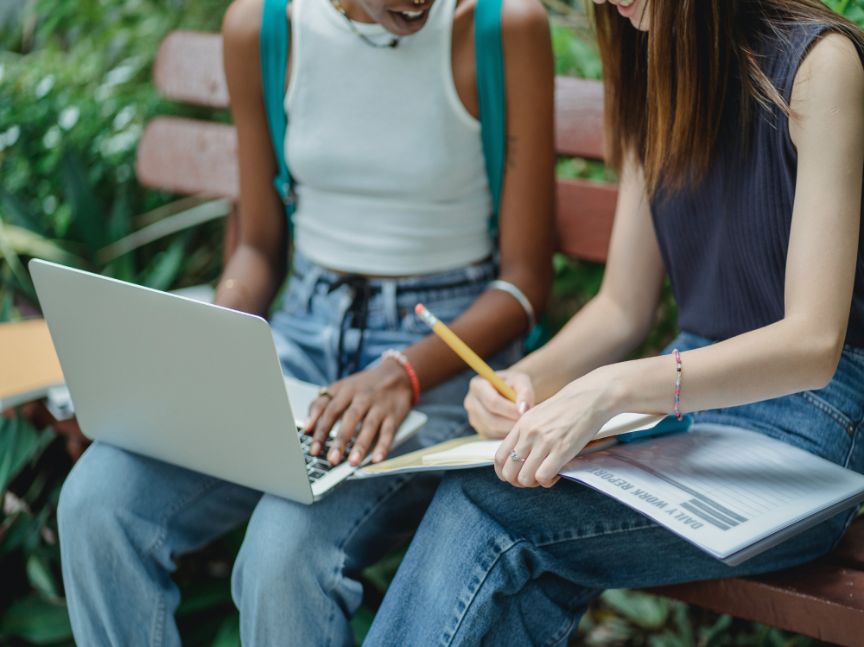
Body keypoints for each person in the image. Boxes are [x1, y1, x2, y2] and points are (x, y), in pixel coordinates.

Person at [365, 0, 864, 644]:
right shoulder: (652, 64)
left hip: (810, 422)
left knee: (489, 513)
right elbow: (622, 307)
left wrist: (610, 390)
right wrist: (524, 379)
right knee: (503, 509)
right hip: (685, 412)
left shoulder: (819, 64)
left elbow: (812, 344)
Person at [56, 0, 554, 643]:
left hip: (440, 360)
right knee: (97, 503)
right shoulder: (262, 29)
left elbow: (523, 286)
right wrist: (212, 331)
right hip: (298, 345)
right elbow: (260, 247)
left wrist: (401, 372)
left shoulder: (500, 27)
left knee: (281, 556)